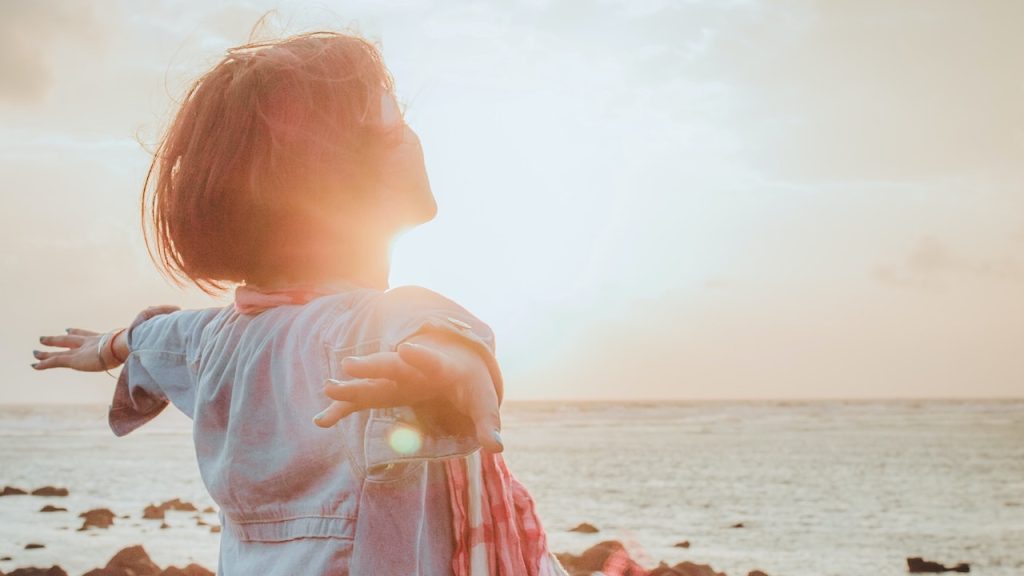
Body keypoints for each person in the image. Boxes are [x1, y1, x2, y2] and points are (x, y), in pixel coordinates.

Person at [31, 30, 568, 576]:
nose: (411, 136)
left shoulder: (212, 340)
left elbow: (151, 340)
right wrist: (450, 367)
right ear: (326, 180)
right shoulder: (368, 327)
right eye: (389, 125)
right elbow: (429, 329)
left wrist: (104, 347)